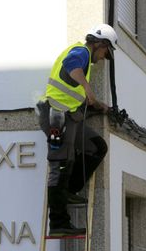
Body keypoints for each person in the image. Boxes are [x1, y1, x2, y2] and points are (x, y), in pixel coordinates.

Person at [37, 24, 117, 236]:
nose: (102, 58)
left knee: (97, 147)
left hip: (69, 117)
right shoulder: (80, 52)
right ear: (100, 44)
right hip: (56, 117)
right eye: (104, 53)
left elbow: (75, 92)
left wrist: (101, 106)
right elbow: (71, 66)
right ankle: (58, 223)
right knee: (60, 165)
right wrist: (89, 90)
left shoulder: (85, 59)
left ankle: (69, 191)